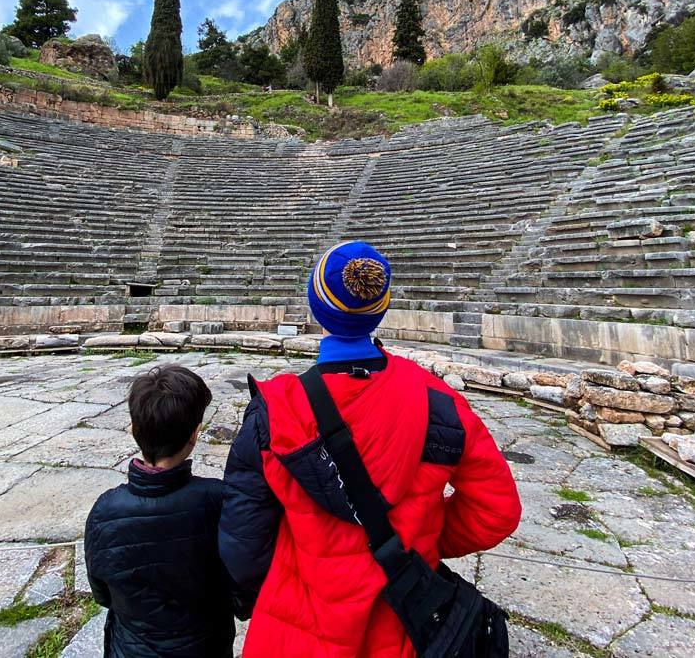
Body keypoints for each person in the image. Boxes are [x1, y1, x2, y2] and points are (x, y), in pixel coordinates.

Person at [219, 241, 522, 657]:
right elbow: (497, 511)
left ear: (314, 306)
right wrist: (422, 540)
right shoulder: (441, 404)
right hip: (402, 632)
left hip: (296, 631)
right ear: (382, 309)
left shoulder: (273, 413)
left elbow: (243, 547)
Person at [84, 364, 236, 658]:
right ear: (195, 435)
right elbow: (240, 590)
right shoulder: (219, 501)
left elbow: (102, 592)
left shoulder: (104, 511)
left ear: (134, 430)